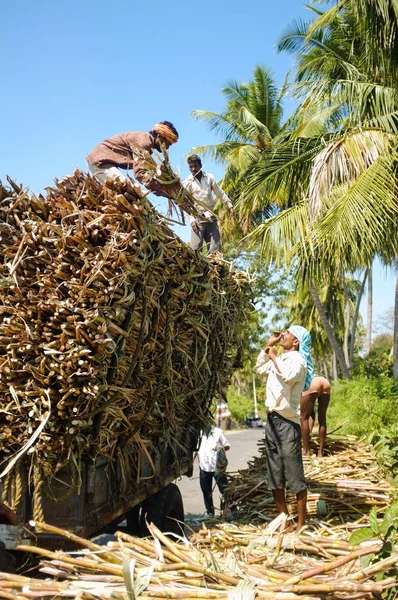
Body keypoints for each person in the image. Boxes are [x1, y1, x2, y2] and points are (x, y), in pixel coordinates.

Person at [256, 326, 311, 532]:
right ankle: (284, 520)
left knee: (294, 474)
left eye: (287, 333)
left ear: (295, 342)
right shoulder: (278, 359)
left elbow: (288, 376)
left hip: (287, 423)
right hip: (272, 421)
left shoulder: (298, 361)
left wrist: (273, 357)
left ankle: (301, 525)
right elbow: (260, 369)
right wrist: (268, 347)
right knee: (275, 474)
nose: (283, 335)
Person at [86, 121, 179, 196]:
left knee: (125, 193)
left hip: (103, 161)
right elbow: (140, 174)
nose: (167, 148)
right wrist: (162, 191)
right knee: (126, 189)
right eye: (168, 143)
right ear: (159, 136)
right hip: (100, 161)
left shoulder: (147, 142)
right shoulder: (145, 142)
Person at [182, 154, 235, 254]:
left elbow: (219, 193)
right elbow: (186, 204)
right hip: (197, 217)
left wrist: (229, 205)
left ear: (200, 166)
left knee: (215, 247)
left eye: (195, 166)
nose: (193, 169)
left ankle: (215, 267)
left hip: (211, 215)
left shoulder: (209, 177)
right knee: (195, 248)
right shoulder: (187, 182)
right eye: (191, 167)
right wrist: (192, 220)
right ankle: (197, 268)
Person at [198, 425, 230, 517]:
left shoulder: (218, 432)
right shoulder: (199, 434)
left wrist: (221, 449)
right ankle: (209, 512)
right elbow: (197, 449)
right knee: (206, 490)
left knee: (224, 488)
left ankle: (231, 509)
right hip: (204, 466)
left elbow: (227, 445)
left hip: (217, 465)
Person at [300, 376, 331, 457]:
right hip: (324, 381)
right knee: (322, 417)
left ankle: (305, 451)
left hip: (311, 383)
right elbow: (311, 414)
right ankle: (321, 452)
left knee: (303, 418)